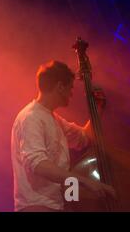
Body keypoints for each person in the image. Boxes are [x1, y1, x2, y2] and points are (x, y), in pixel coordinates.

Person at [11, 60, 116, 212]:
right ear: (60, 87)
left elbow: (83, 138)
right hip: (37, 207)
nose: (72, 93)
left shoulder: (55, 120)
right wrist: (86, 182)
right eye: (70, 87)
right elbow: (37, 164)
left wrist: (98, 108)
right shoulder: (31, 117)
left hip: (57, 206)